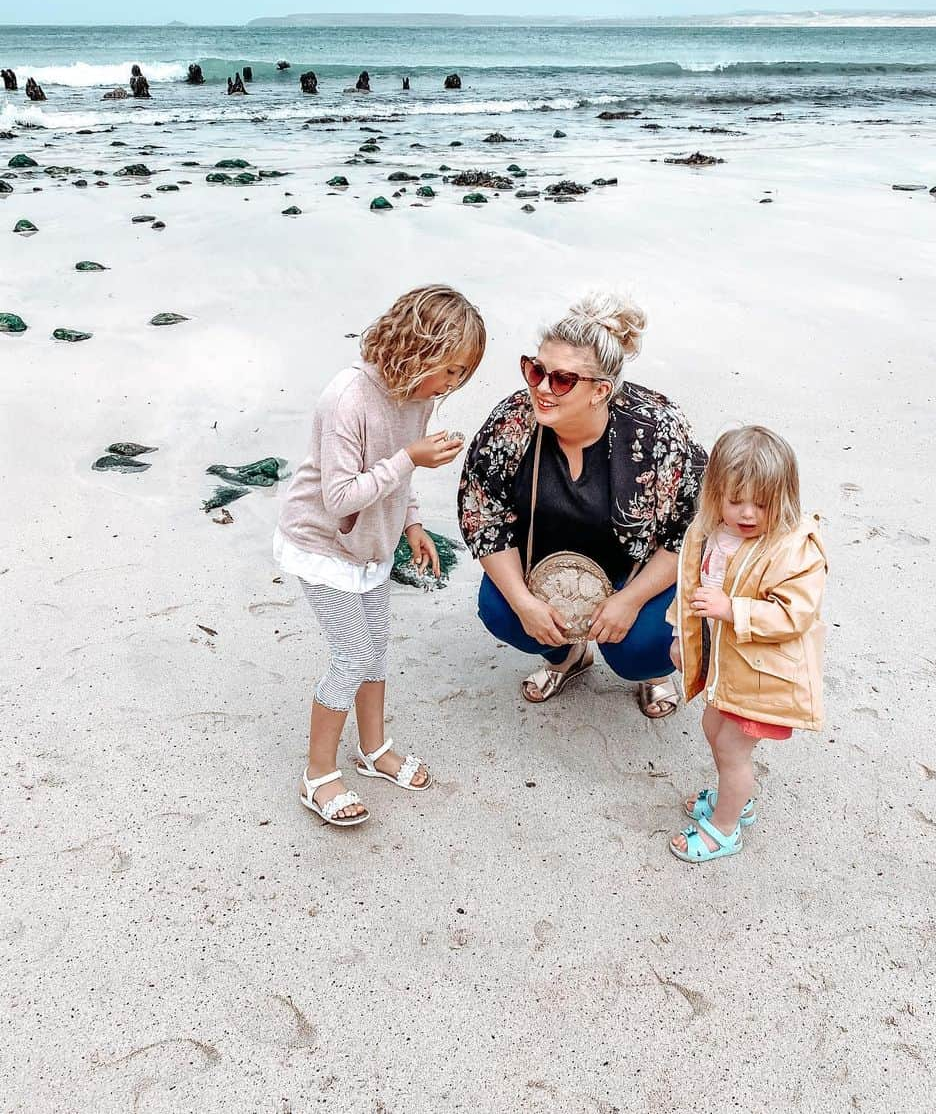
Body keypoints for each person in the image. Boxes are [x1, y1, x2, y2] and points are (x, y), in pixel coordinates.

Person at [276, 285, 486, 827]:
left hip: (372, 544)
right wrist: (408, 458)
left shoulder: (419, 398)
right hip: (323, 543)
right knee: (350, 655)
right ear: (418, 348)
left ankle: (373, 748)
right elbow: (340, 496)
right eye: (451, 370)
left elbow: (400, 476)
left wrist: (412, 523)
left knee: (377, 647)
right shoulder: (346, 397)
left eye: (462, 375)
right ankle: (317, 774)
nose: (452, 386)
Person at [458, 292, 705, 718]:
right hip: (550, 567)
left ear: (600, 391)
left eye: (562, 380)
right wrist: (523, 601)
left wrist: (629, 601)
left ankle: (652, 675)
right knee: (499, 608)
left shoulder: (657, 432)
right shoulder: (512, 423)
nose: (540, 388)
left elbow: (689, 529)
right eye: (535, 371)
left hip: (633, 571)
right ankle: (567, 658)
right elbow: (484, 516)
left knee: (644, 647)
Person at [667, 426, 827, 862]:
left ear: (785, 497)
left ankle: (725, 827)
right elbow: (691, 589)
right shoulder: (710, 533)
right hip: (728, 665)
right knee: (712, 729)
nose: (748, 513)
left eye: (762, 502)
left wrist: (732, 609)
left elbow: (795, 614)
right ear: (715, 491)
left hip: (763, 674)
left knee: (732, 748)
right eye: (735, 499)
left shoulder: (794, 550)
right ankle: (734, 798)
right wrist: (682, 633)